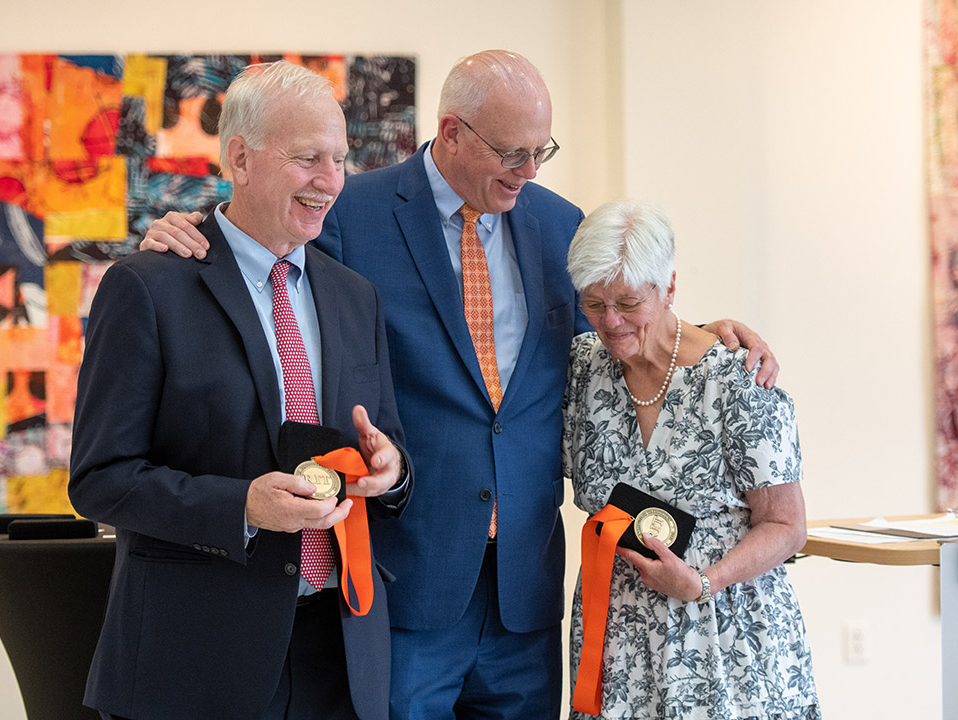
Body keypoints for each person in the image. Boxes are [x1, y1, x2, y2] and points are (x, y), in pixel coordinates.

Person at [140, 50, 778, 720]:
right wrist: (192, 229)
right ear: (451, 133)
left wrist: (705, 335)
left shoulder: (561, 225)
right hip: (409, 581)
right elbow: (267, 261)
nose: (528, 171)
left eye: (541, 151)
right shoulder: (353, 215)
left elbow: (618, 331)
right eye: (511, 152)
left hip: (524, 591)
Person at [68, 61, 411, 720]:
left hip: (340, 657)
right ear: (241, 158)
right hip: (195, 663)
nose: (330, 181)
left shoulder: (354, 297)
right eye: (308, 158)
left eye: (339, 159)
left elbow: (389, 447)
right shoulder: (147, 287)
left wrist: (390, 469)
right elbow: (100, 480)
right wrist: (244, 506)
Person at [561, 200, 818, 719]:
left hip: (726, 638)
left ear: (669, 287)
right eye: (593, 304)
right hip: (619, 646)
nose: (609, 323)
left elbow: (788, 526)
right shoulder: (583, 368)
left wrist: (705, 582)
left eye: (628, 302)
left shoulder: (738, 380)